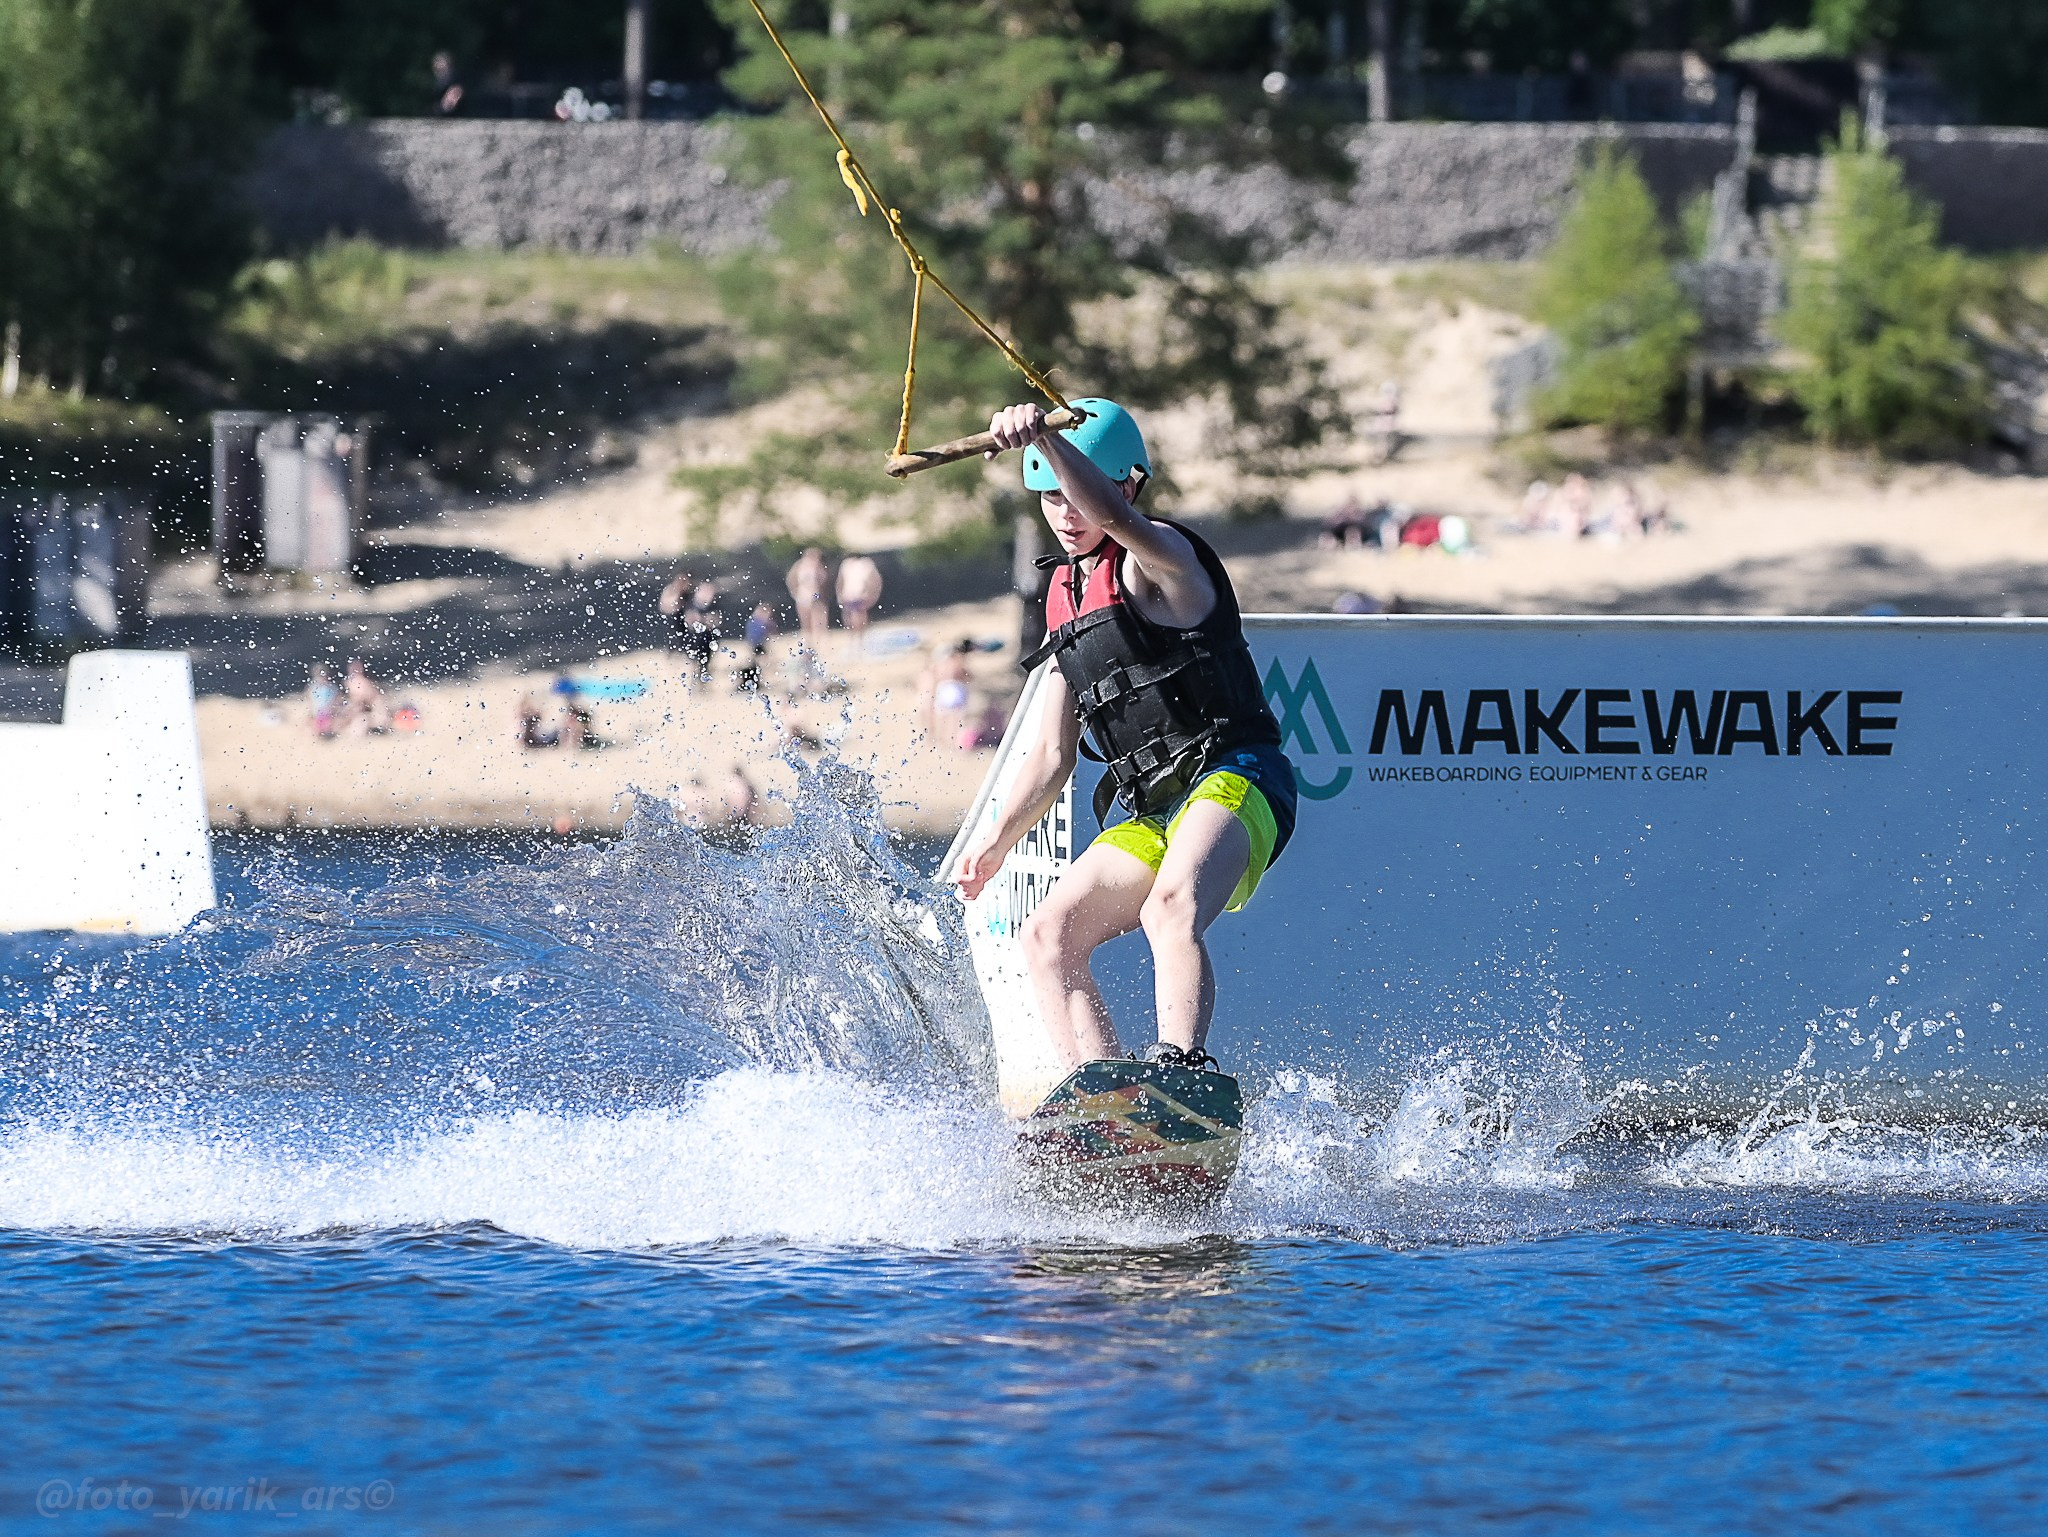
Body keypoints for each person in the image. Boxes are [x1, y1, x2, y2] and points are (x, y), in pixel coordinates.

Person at [951, 398, 1298, 1075]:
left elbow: (1115, 521)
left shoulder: (1164, 558)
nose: (1065, 512)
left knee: (1172, 907)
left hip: (1238, 775)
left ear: (1130, 483)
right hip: (1156, 809)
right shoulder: (1063, 599)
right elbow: (1052, 754)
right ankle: (1103, 1096)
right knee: (1048, 936)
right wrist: (994, 842)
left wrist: (1045, 440)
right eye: (1048, 498)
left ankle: (1180, 1069)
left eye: (1076, 493)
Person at [786, 548, 831, 656]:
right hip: (805, 595)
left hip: (811, 595)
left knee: (817, 620)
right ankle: (810, 644)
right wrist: (794, 591)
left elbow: (823, 580)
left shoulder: (814, 566)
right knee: (808, 622)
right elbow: (791, 579)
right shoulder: (802, 566)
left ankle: (816, 643)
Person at [836, 553, 884, 652]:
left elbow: (875, 580)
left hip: (859, 595)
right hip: (849, 595)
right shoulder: (846, 565)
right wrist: (840, 594)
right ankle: (853, 642)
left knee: (859, 619)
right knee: (849, 620)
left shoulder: (865, 564)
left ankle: (860, 642)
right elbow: (840, 581)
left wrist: (871, 593)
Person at [680, 580, 724, 686]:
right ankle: (695, 681)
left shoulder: (714, 605)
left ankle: (703, 682)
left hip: (709, 637)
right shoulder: (692, 603)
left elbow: (717, 620)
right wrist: (703, 620)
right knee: (694, 661)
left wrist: (702, 619)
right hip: (695, 637)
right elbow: (688, 619)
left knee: (707, 662)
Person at [306, 664, 340, 739]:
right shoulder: (313, 688)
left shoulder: (331, 687)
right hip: (317, 712)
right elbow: (310, 702)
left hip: (328, 712)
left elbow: (335, 701)